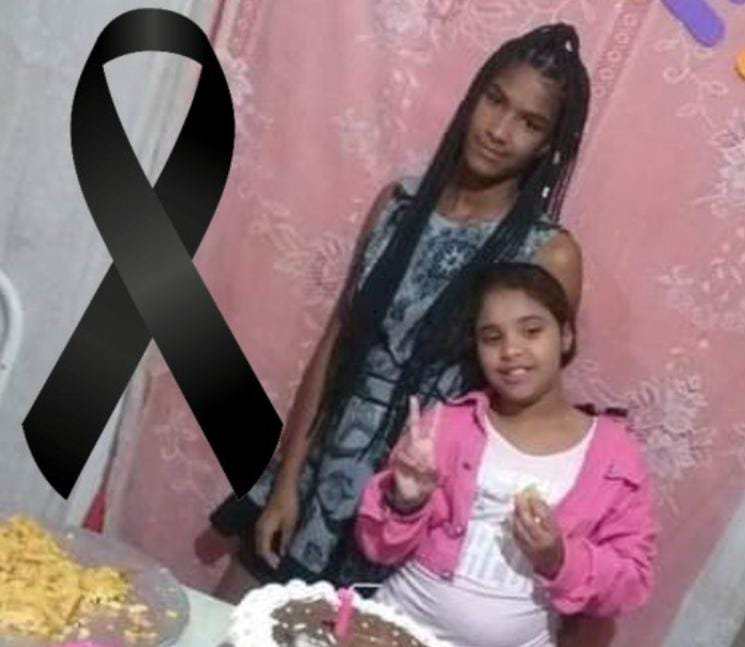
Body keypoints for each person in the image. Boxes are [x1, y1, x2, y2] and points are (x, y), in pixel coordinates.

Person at [210, 22, 591, 592]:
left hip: (414, 514)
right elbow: (338, 343)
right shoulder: (399, 203)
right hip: (316, 477)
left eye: (530, 123)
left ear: (548, 145)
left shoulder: (547, 252)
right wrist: (287, 478)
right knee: (235, 622)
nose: (499, 130)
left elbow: (522, 414)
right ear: (474, 96)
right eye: (495, 101)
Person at [356, 262, 657, 647]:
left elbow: (631, 584)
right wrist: (406, 503)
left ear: (566, 335)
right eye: (492, 337)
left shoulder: (615, 457)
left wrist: (559, 557)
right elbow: (378, 548)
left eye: (532, 331)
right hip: (398, 627)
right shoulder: (446, 424)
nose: (511, 351)